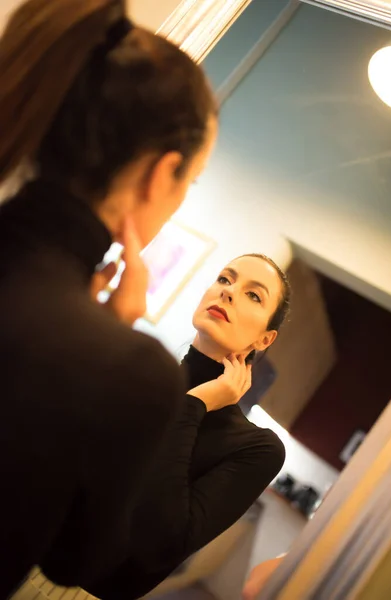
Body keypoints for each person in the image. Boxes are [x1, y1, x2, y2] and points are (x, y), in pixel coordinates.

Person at [0, 0, 231, 597]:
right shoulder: (127, 369)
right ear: (162, 175)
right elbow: (78, 563)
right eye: (190, 182)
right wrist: (114, 341)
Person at [81, 253, 290, 600]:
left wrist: (195, 405)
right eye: (225, 279)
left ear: (264, 340)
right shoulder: (140, 375)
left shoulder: (258, 447)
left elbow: (159, 545)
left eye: (254, 295)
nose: (228, 292)